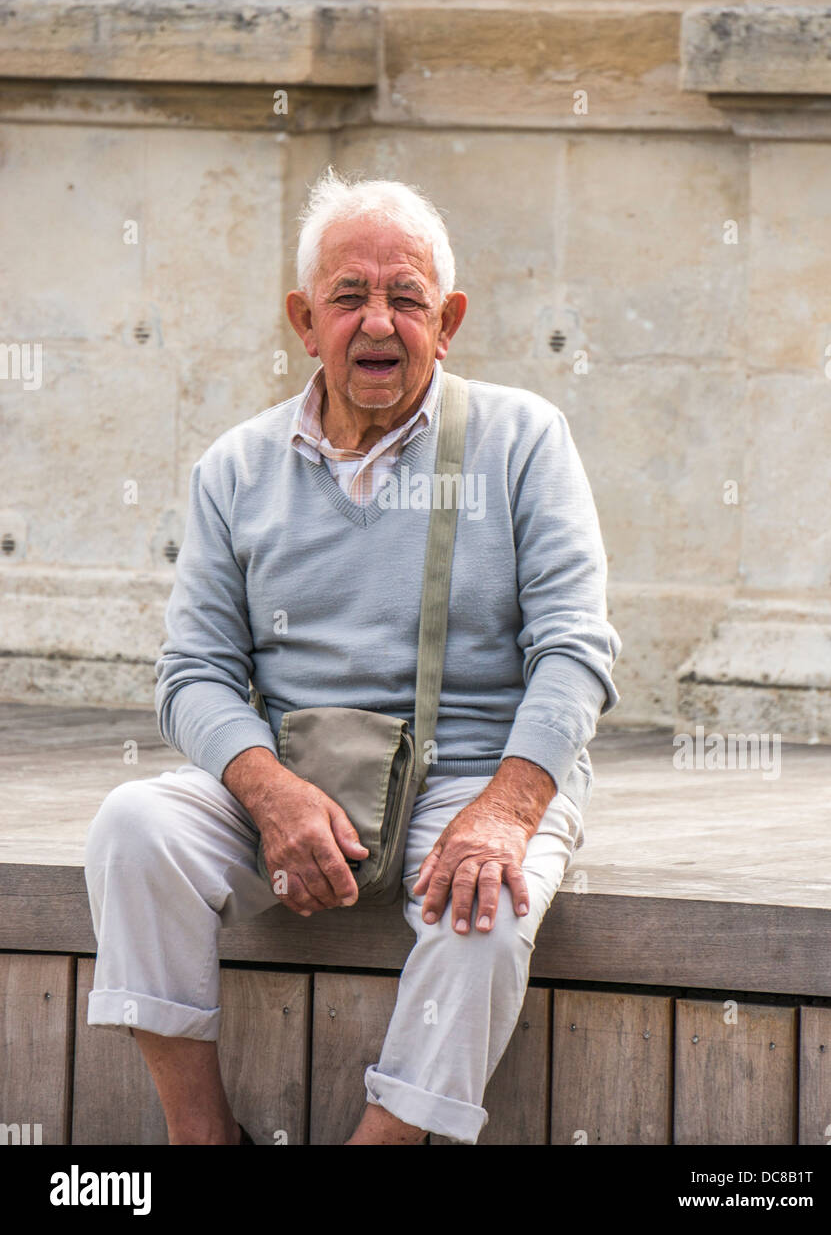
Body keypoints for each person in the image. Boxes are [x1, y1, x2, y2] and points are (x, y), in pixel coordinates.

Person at [84, 168, 622, 1145]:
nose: (378, 322)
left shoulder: (522, 440)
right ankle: (201, 1136)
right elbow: (194, 671)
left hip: (471, 777)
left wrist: (506, 810)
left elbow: (575, 649)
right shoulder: (234, 468)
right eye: (349, 296)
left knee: (484, 911)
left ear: (446, 318)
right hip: (301, 786)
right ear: (304, 318)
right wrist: (269, 792)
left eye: (405, 298)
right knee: (134, 823)